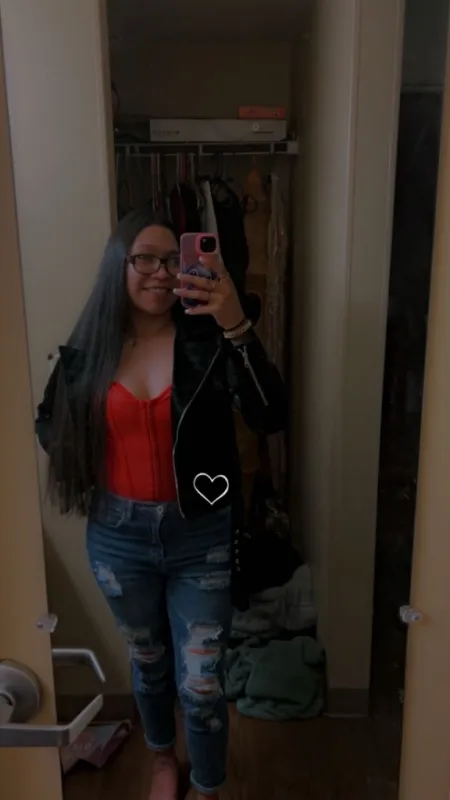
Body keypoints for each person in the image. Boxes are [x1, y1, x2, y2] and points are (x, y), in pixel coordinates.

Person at [36, 208, 286, 800]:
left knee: (201, 680)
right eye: (144, 258)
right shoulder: (88, 351)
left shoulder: (210, 341)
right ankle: (160, 760)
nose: (161, 271)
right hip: (118, 536)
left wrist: (235, 323)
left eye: (174, 259)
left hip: (201, 533)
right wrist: (92, 459)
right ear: (118, 266)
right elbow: (48, 424)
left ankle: (208, 785)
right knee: (148, 662)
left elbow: (269, 414)